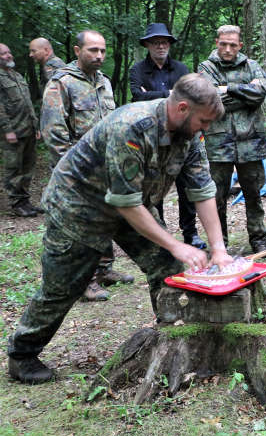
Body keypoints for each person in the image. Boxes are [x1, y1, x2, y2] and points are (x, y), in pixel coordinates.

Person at [7, 74, 231, 385]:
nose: (205, 128)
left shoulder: (189, 135)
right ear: (182, 108)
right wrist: (177, 244)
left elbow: (203, 190)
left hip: (133, 203)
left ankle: (172, 340)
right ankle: (22, 354)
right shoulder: (131, 126)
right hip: (80, 205)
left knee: (167, 268)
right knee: (64, 287)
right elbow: (126, 204)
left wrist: (217, 247)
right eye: (204, 121)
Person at [42, 30, 133, 302]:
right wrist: (72, 171)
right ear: (76, 50)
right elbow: (53, 132)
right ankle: (85, 280)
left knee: (106, 218)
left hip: (105, 165)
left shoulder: (104, 81)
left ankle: (104, 269)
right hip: (76, 172)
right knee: (82, 226)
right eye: (93, 50)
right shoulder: (62, 83)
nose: (99, 56)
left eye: (103, 51)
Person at [128, 23, 205, 250]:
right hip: (151, 136)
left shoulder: (181, 69)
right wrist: (170, 94)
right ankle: (158, 234)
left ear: (169, 44)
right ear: (148, 45)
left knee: (186, 185)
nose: (161, 46)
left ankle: (190, 233)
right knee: (154, 187)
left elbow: (191, 97)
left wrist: (153, 95)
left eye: (164, 42)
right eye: (155, 42)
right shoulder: (137, 70)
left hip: (181, 135)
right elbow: (137, 97)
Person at [198, 25, 266, 253]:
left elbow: (259, 95)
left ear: (240, 45)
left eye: (232, 45)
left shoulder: (252, 66)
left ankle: (258, 238)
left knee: (253, 193)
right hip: (219, 143)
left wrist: (227, 88)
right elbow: (209, 101)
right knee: (217, 196)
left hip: (250, 142)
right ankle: (220, 243)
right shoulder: (206, 68)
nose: (227, 49)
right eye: (223, 44)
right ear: (217, 42)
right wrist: (245, 94)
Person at [0, 43, 41, 217]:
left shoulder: (16, 75)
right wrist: (7, 130)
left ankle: (25, 201)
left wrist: (36, 126)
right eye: (3, 54)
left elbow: (28, 104)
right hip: (13, 131)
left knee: (28, 167)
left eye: (9, 52)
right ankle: (16, 203)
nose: (9, 56)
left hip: (28, 129)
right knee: (13, 168)